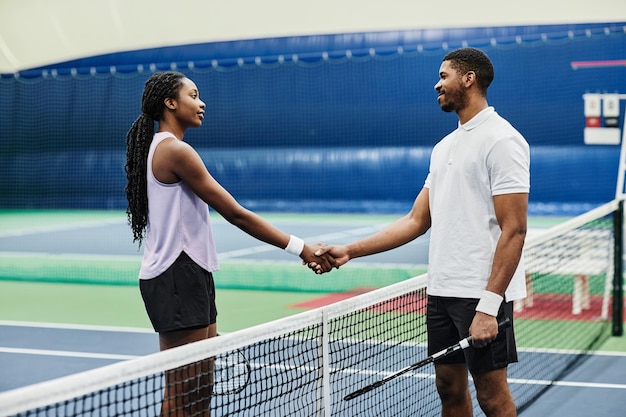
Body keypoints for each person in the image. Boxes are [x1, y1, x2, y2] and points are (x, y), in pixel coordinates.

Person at [312, 48, 529, 417]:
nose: (437, 84)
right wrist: (350, 250)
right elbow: (416, 220)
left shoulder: (502, 141)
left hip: (479, 295)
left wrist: (489, 307)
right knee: (448, 389)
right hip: (442, 289)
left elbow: (515, 230)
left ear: (469, 79)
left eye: (444, 76)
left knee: (492, 397)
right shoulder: (445, 146)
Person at [124, 71, 334, 416]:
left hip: (192, 272)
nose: (201, 102)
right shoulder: (175, 150)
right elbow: (235, 214)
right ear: (170, 103)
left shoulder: (165, 148)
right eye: (193, 95)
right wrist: (302, 248)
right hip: (176, 276)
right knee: (182, 392)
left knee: (200, 390)